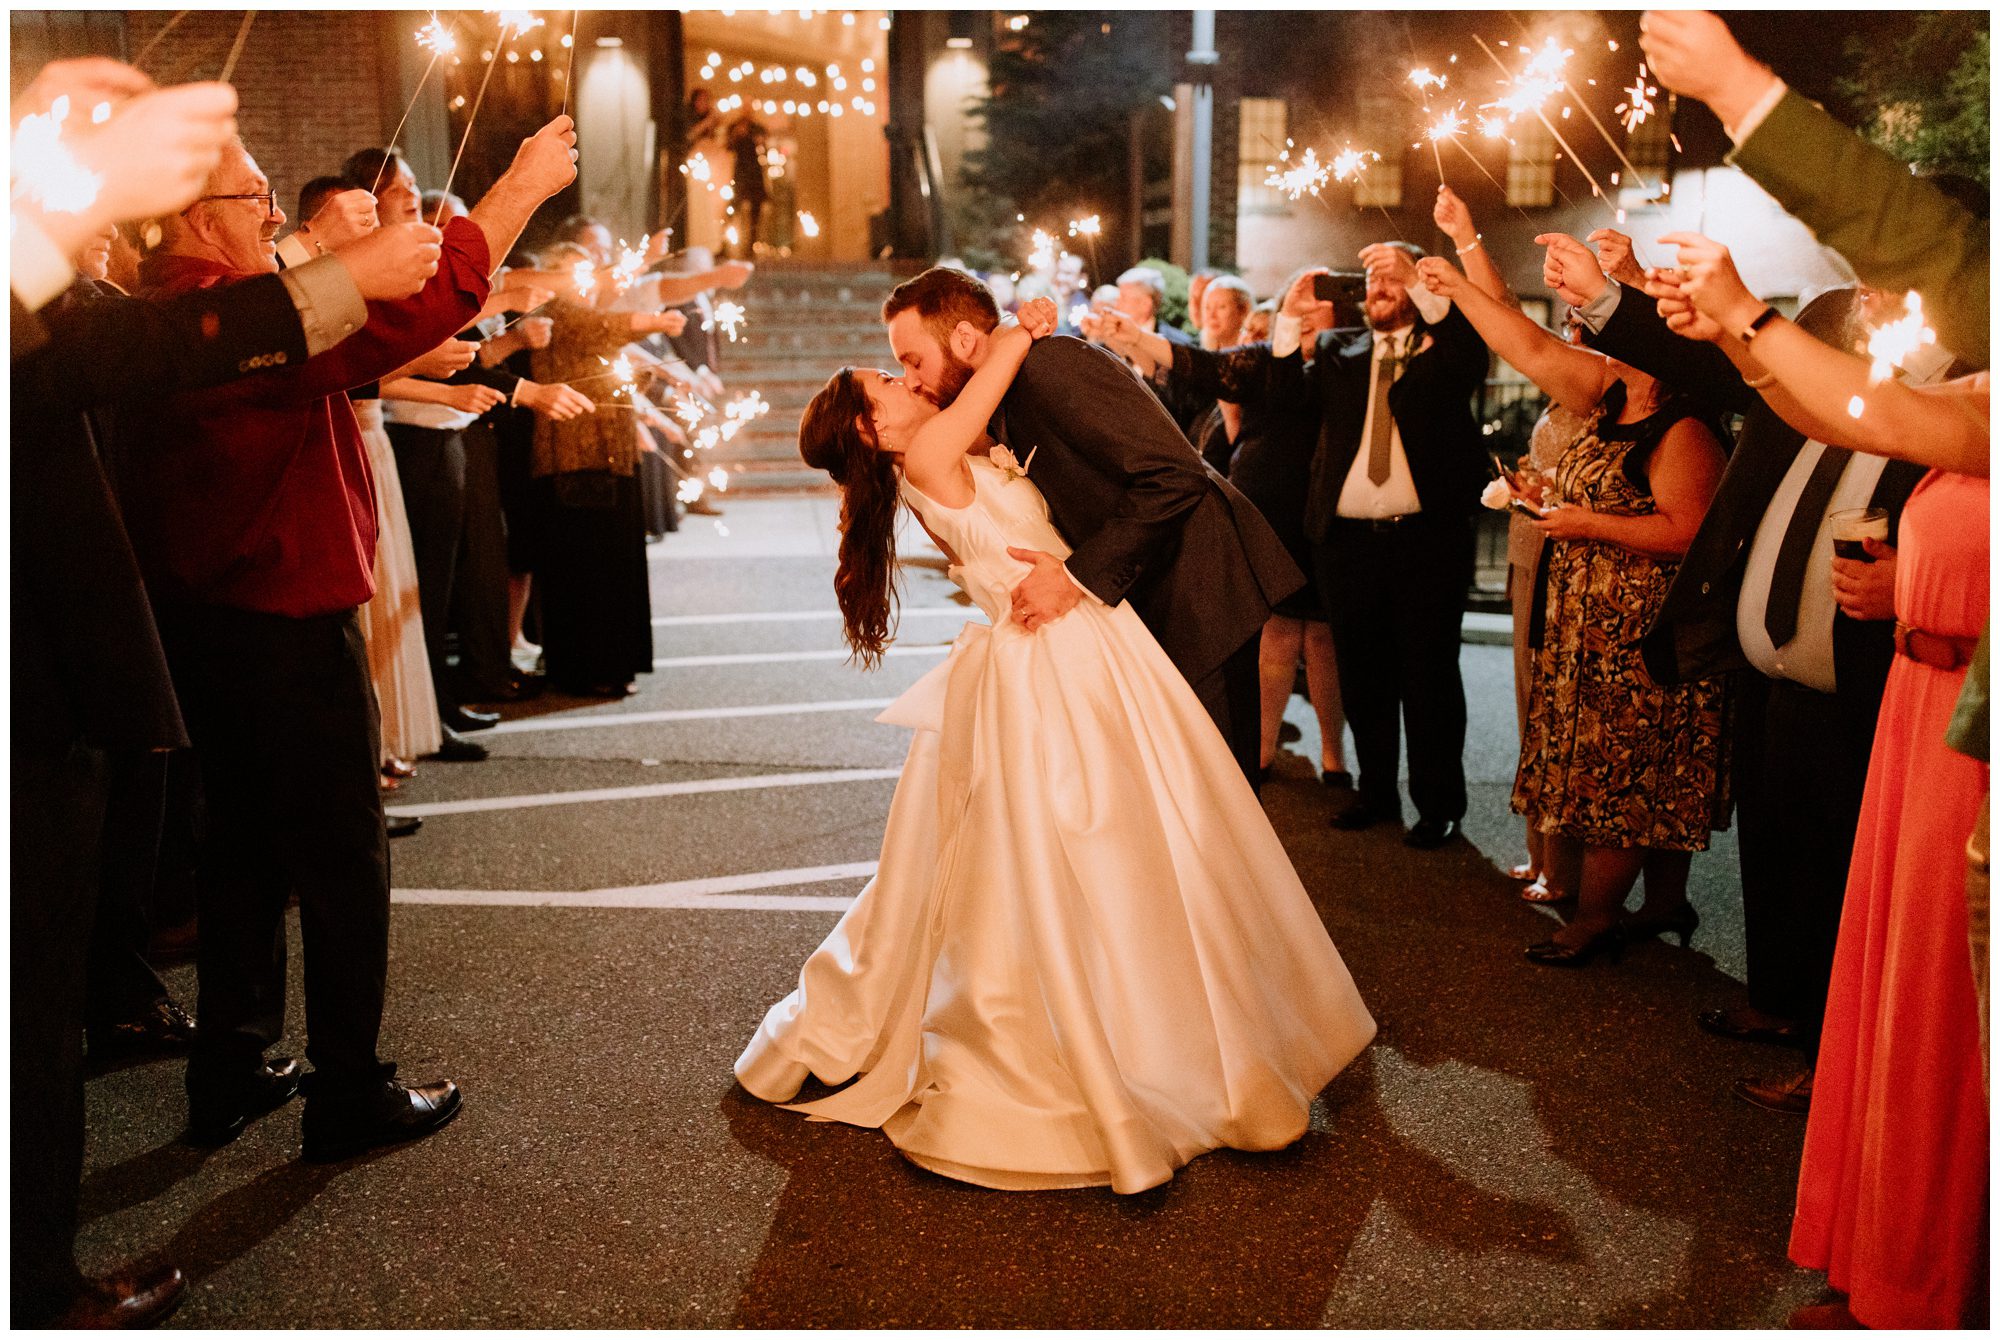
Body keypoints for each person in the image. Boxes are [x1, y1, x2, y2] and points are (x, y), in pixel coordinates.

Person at [737, 297, 1375, 1193]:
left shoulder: (942, 452)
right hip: (1057, 653)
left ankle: (1172, 1016)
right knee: (1095, 841)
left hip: (1079, 639)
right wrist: (1017, 333)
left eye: (904, 360)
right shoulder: (928, 449)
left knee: (1123, 836)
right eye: (890, 377)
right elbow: (993, 379)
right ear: (875, 426)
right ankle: (1142, 1032)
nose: (907, 378)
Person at [9, 56, 416, 1326]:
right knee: (34, 993)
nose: (266, 219)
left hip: (103, 655)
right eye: (248, 201)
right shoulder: (169, 283)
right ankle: (33, 1278)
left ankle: (51, 1245)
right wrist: (63, 208)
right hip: (76, 663)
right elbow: (88, 353)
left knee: (207, 875)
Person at [122, 117, 580, 1165]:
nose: (274, 213)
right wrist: (512, 193)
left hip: (212, 622)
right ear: (197, 217)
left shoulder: (182, 314)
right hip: (280, 624)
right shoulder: (229, 315)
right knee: (340, 860)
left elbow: (382, 334)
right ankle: (347, 1088)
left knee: (237, 847)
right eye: (256, 198)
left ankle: (232, 1064)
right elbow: (386, 322)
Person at [1656, 225, 1989, 1331]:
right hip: (1911, 707)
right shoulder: (1958, 388)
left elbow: (1872, 418)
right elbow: (1833, 411)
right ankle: (1882, 1226)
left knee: (1942, 1001)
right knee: (1885, 975)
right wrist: (1734, 329)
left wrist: (1743, 318)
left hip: (1951, 721)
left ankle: (1937, 1266)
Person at [1554, 231, 1944, 1108]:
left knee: (1850, 869)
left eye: (1896, 274)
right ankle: (1779, 1002)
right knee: (1778, 844)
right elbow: (1728, 370)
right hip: (1773, 659)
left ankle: (1838, 1060)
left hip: (1874, 666)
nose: (1869, 291)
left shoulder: (1971, 373)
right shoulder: (1832, 321)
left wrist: (1913, 575)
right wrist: (1610, 298)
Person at [1416, 251, 1729, 967]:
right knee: (1624, 771)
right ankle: (1662, 904)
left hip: (1642, 635)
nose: (1596, 329)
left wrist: (1588, 524)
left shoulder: (1684, 426)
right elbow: (1524, 345)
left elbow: (1688, 530)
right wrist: (1462, 283)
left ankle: (1594, 919)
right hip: (1590, 625)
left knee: (1627, 776)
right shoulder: (1613, 393)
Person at [879, 266, 1303, 787]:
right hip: (1153, 595)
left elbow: (1174, 474)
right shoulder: (1009, 387)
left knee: (1222, 796)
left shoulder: (1052, 365)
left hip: (1201, 591)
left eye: (912, 360)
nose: (911, 379)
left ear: (964, 337)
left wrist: (1073, 576)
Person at [1096, 272, 1353, 791]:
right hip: (1271, 509)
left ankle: (1334, 755)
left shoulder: (1346, 363)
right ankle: (1260, 749)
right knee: (1276, 633)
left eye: (1319, 305)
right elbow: (1206, 367)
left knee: (1325, 639)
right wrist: (1133, 338)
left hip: (1327, 513)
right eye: (1297, 305)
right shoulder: (1262, 359)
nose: (1307, 313)